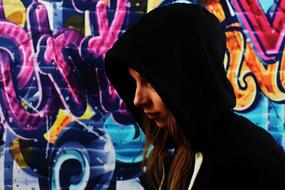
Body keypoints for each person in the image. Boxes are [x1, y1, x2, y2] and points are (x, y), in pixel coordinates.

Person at [104, 3, 285, 190]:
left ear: (188, 77)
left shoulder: (250, 158)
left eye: (149, 81)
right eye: (135, 83)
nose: (138, 99)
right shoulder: (184, 154)